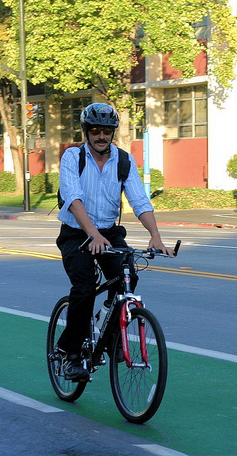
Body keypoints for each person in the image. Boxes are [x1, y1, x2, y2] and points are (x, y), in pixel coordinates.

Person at [56, 102, 174, 381]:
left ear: (113, 133)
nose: (101, 136)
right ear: (86, 131)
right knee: (84, 287)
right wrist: (92, 234)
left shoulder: (123, 160)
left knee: (128, 277)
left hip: (109, 232)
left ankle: (110, 333)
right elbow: (73, 199)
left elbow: (139, 200)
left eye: (107, 131)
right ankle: (71, 354)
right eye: (95, 130)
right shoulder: (73, 157)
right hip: (76, 232)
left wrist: (155, 236)